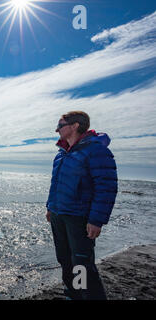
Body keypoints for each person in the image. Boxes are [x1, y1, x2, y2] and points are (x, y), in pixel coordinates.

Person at [46, 111, 118, 300]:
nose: (57, 129)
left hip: (78, 217)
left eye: (60, 125)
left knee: (81, 263)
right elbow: (56, 184)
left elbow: (106, 187)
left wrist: (96, 220)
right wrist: (50, 207)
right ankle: (73, 295)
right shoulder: (61, 154)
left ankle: (88, 297)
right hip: (58, 214)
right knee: (64, 259)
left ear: (75, 125)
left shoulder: (95, 150)